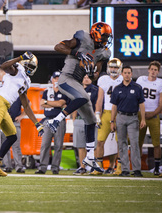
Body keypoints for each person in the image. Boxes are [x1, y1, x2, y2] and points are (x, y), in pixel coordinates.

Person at [45, 21, 113, 172]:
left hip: (77, 82)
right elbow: (58, 46)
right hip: (66, 79)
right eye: (105, 36)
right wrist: (77, 53)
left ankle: (89, 157)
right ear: (96, 34)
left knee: (91, 120)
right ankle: (57, 120)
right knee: (83, 98)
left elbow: (95, 74)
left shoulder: (103, 53)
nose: (106, 40)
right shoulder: (82, 38)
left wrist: (91, 73)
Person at [110, 65, 146, 177]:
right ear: (122, 74)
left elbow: (142, 104)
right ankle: (125, 169)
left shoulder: (137, 87)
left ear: (131, 74)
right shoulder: (117, 88)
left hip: (133, 117)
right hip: (120, 117)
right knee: (121, 143)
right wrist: (112, 121)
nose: (127, 74)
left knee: (134, 144)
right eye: (125, 72)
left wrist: (143, 119)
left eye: (128, 73)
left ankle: (136, 170)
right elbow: (114, 106)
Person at [92, 58, 123, 175]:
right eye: (112, 67)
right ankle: (99, 167)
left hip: (119, 113)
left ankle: (119, 167)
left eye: (115, 67)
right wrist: (97, 114)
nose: (113, 69)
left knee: (120, 142)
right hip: (106, 112)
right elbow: (100, 99)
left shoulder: (122, 79)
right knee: (100, 141)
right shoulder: (103, 79)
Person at [0, 68, 26, 173]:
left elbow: (27, 104)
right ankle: (7, 166)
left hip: (14, 121)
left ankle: (19, 166)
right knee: (4, 145)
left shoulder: (17, 87)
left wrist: (21, 116)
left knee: (15, 145)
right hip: (4, 122)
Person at [35, 71, 68, 175]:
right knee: (44, 144)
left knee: (58, 145)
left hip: (59, 120)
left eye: (59, 78)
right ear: (52, 79)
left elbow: (61, 103)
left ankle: (55, 168)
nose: (57, 80)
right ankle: (42, 167)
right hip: (48, 120)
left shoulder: (64, 91)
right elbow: (42, 104)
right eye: (55, 78)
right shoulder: (47, 91)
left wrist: (48, 103)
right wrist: (57, 105)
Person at [136, 61, 162, 176]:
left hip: (153, 115)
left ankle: (157, 168)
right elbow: (136, 98)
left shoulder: (161, 82)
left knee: (156, 143)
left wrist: (152, 113)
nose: (153, 72)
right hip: (140, 114)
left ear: (158, 72)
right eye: (152, 69)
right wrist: (142, 114)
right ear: (148, 70)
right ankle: (137, 167)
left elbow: (161, 104)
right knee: (138, 143)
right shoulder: (141, 80)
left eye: (155, 70)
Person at [72, 75, 98, 175]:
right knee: (80, 145)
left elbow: (98, 105)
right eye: (84, 77)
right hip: (79, 119)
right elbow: (74, 105)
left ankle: (92, 167)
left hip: (90, 118)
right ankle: (82, 167)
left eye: (88, 77)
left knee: (93, 145)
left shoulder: (96, 90)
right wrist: (74, 119)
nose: (86, 79)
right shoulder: (77, 89)